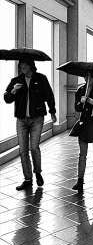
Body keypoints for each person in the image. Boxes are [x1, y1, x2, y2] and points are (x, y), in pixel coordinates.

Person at [4, 59, 57, 190]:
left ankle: (37, 172)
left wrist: (52, 112)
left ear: (31, 65)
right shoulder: (16, 81)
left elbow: (49, 95)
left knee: (34, 147)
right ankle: (28, 179)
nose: (22, 67)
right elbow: (7, 99)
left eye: (25, 64)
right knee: (23, 150)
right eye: (21, 65)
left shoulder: (41, 78)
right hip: (21, 119)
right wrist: (13, 91)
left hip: (37, 118)